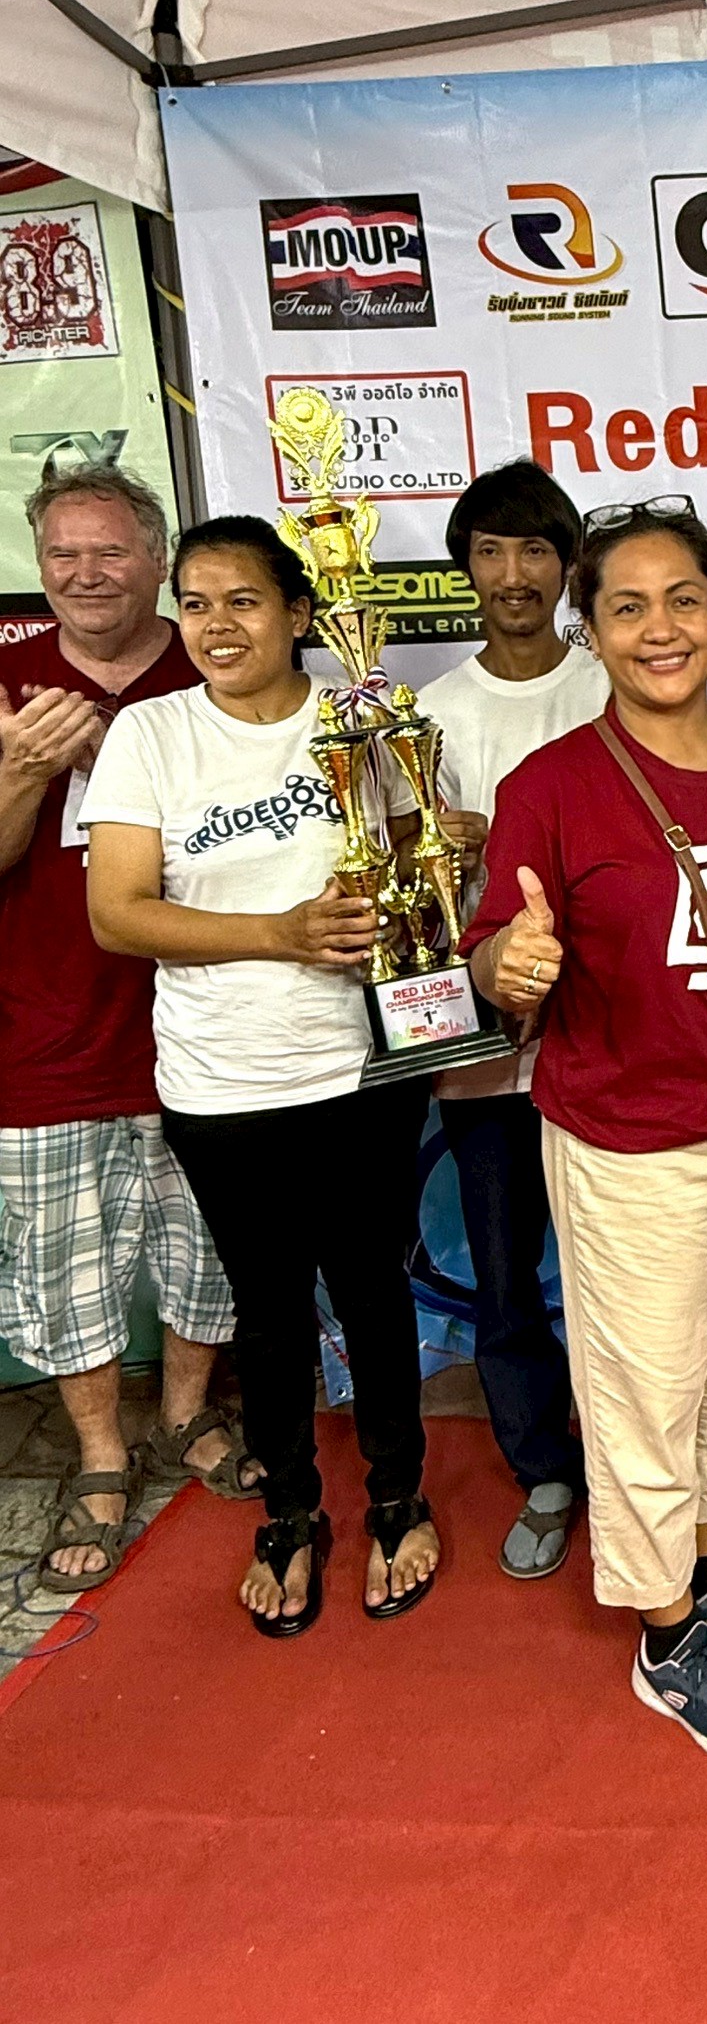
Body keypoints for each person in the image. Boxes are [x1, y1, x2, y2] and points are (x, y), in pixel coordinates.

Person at [465, 497, 707, 1766]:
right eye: (626, 607)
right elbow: (490, 953)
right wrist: (508, 965)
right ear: (591, 630)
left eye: (683, 599)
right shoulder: (551, 788)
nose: (660, 627)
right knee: (645, 1395)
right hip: (628, 1144)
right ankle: (666, 1629)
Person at [83, 515, 441, 1636]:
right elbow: (117, 913)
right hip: (223, 1085)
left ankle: (399, 1496)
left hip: (362, 1067)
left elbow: (410, 872)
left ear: (299, 612)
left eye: (242, 600)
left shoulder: (360, 720)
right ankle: (290, 1509)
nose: (216, 626)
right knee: (270, 1307)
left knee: (374, 1291)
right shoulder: (152, 733)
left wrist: (442, 853)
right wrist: (278, 935)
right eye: (194, 604)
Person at [0, 466, 253, 1594]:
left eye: (110, 551)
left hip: (205, 1026)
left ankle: (189, 1415)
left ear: (158, 561)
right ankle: (102, 1453)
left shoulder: (215, 671)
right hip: (43, 1033)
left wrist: (140, 769)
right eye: (64, 554)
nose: (86, 574)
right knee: (66, 1267)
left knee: (208, 1246)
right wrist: (24, 769)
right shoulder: (8, 684)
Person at [408, 460, 608, 1580]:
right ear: (466, 569)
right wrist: (434, 851)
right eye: (490, 550)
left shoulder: (612, 685)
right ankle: (543, 1467)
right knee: (502, 1274)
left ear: (568, 566)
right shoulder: (429, 715)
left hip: (610, 1039)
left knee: (626, 1272)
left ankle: (642, 1466)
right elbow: (404, 894)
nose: (514, 573)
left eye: (536, 549)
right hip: (485, 1050)